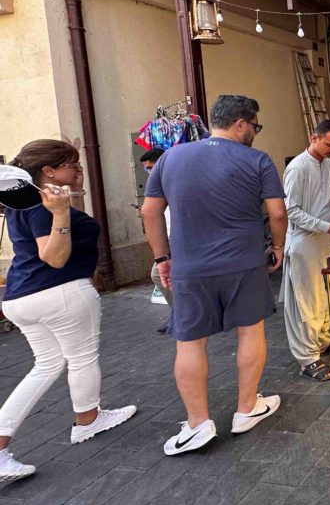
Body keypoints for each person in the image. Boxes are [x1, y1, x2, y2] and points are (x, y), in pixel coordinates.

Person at [141, 95, 286, 455]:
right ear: (241, 124)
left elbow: (150, 212)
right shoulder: (257, 160)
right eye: (255, 125)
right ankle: (247, 408)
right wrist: (279, 246)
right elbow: (278, 213)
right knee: (250, 331)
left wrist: (162, 258)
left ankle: (197, 425)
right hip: (244, 262)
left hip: (190, 268)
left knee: (190, 342)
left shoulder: (171, 158)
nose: (255, 132)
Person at [0, 141, 136, 482]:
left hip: (21, 295)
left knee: (46, 366)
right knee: (81, 358)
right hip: (58, 291)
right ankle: (88, 420)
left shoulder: (26, 200)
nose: (79, 170)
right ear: (48, 171)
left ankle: (0, 444)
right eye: (71, 164)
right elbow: (55, 256)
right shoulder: (45, 204)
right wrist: (61, 213)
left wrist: (70, 199)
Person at [281, 120, 330, 382]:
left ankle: (322, 340)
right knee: (308, 299)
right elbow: (291, 211)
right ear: (314, 137)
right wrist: (326, 226)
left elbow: (328, 198)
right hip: (303, 241)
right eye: (328, 144)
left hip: (324, 237)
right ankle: (307, 359)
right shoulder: (297, 167)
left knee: (329, 294)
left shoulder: (328, 164)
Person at [140, 148, 172, 327]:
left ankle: (183, 315)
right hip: (167, 241)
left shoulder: (170, 181)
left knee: (159, 275)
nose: (148, 172)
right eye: (146, 169)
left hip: (175, 241)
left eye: (150, 167)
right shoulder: (158, 184)